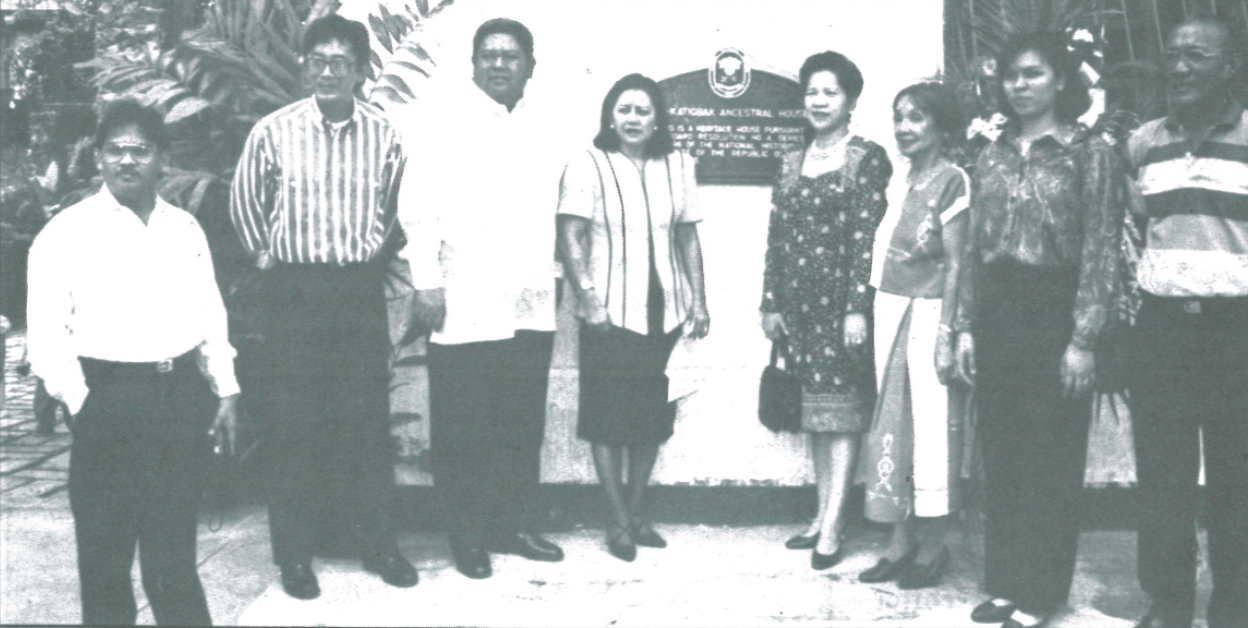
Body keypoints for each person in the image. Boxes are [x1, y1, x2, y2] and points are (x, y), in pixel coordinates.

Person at [26, 98, 239, 626]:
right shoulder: (66, 232)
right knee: (106, 562)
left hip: (177, 399)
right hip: (107, 400)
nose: (127, 160)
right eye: (115, 149)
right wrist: (83, 403)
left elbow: (209, 313)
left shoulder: (184, 228)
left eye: (140, 150)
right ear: (97, 156)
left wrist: (226, 388)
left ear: (161, 158)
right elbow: (47, 336)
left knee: (173, 560)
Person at [229, 15, 416, 600]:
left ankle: (378, 545)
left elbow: (396, 210)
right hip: (294, 294)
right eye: (318, 61)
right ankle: (294, 555)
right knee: (293, 425)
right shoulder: (273, 131)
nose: (328, 72)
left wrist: (366, 256)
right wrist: (267, 257)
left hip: (356, 293)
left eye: (340, 63)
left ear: (360, 71)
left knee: (365, 424)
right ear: (305, 67)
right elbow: (245, 204)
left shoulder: (385, 134)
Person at [952, 32, 1123, 628]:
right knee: (1002, 452)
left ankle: (1042, 592)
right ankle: (1005, 583)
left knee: (1050, 456)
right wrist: (966, 327)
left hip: (1056, 312)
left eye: (1032, 74)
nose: (1019, 85)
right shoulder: (992, 154)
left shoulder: (1088, 153)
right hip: (999, 311)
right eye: (1011, 76)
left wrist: (1083, 339)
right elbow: (974, 249)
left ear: (1060, 80)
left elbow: (1102, 248)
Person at [398, 17, 567, 580]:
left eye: (510, 55)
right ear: (473, 65)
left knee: (519, 424)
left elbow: (557, 207)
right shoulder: (442, 122)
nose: (498, 64)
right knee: (463, 427)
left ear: (530, 66)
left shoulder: (548, 126)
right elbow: (417, 209)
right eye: (488, 55)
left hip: (529, 301)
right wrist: (426, 281)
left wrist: (555, 273)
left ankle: (511, 525)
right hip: (464, 300)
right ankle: (466, 535)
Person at [557, 74, 711, 562]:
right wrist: (588, 299)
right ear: (610, 116)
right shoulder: (588, 163)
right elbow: (571, 234)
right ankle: (617, 517)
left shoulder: (678, 164)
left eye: (643, 110)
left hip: (664, 313)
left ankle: (638, 511)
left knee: (650, 418)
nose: (633, 118)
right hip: (608, 313)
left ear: (657, 119)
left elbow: (687, 236)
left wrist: (699, 301)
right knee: (607, 419)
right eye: (624, 109)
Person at [1124, 16, 1247, 628]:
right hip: (1163, 330)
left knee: (1237, 476)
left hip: (1236, 331)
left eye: (1196, 56)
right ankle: (1169, 601)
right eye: (1173, 55)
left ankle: (1234, 603)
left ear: (1231, 66)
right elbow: (1130, 232)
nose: (1179, 67)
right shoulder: (1144, 143)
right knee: (1162, 474)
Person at [760, 50, 892, 570]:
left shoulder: (866, 158)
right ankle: (819, 516)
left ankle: (835, 525)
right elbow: (776, 237)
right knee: (816, 415)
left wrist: (856, 307)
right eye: (812, 91)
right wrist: (771, 302)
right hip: (799, 311)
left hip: (842, 309)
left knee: (842, 415)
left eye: (830, 92)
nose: (818, 100)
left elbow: (867, 237)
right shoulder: (791, 161)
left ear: (850, 101)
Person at [856, 82, 969, 589]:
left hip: (929, 313)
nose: (904, 127)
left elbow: (959, 262)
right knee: (893, 424)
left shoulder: (953, 181)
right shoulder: (901, 179)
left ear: (942, 126)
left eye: (917, 117)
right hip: (891, 308)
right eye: (899, 117)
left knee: (931, 428)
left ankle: (934, 547)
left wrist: (948, 331)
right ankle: (898, 543)